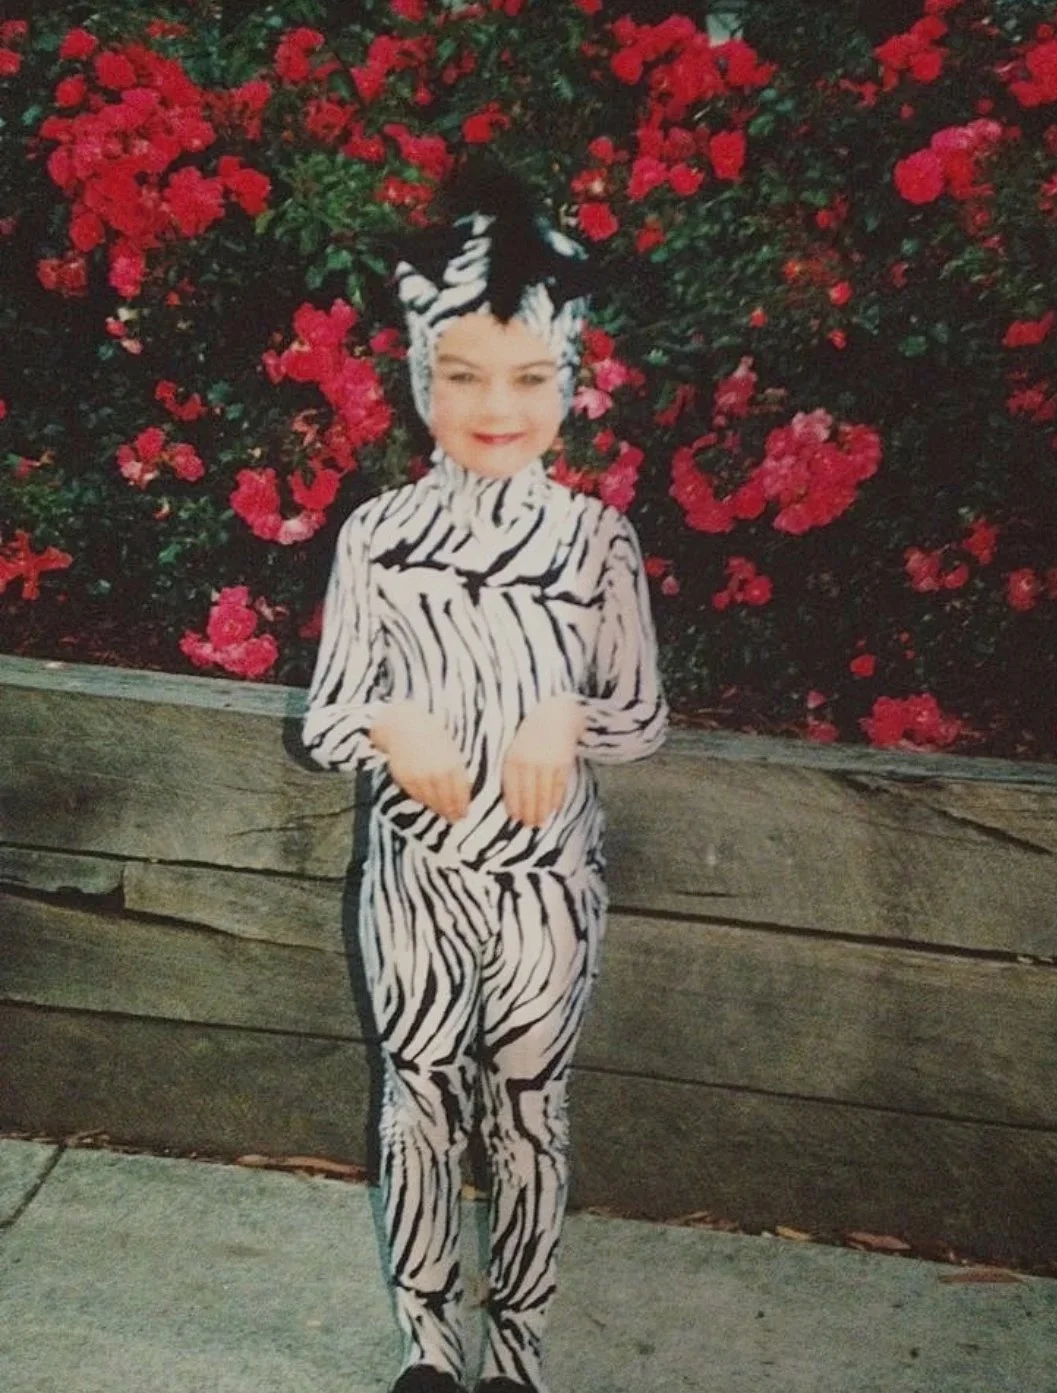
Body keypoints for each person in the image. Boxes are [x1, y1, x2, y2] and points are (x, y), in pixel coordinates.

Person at [301, 162, 668, 1393]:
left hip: (545, 890)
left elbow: (639, 712)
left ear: (567, 380)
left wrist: (563, 708)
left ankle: (518, 1353)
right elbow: (330, 714)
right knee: (415, 1097)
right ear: (422, 380)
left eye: (525, 377)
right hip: (414, 881)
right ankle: (428, 1344)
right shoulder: (381, 536)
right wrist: (392, 714)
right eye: (462, 377)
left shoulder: (594, 541)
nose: (494, 406)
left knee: (527, 1109)